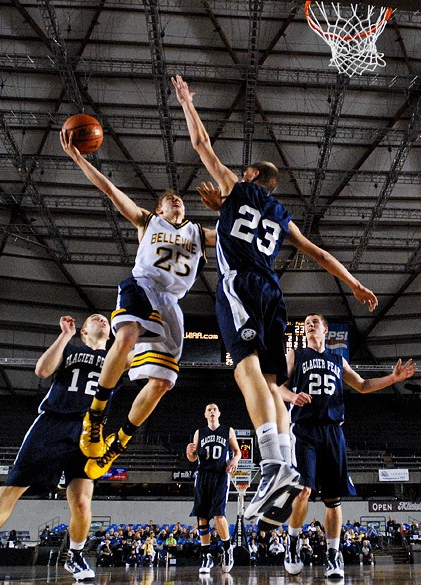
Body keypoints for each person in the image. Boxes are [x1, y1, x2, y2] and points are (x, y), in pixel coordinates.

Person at [172, 74, 379, 529]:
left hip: (242, 287)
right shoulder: (281, 217)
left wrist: (187, 103)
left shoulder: (238, 189)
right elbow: (319, 253)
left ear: (251, 178)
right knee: (268, 383)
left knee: (245, 373)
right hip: (273, 295)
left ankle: (271, 467)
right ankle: (282, 464)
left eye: (243, 172)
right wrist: (354, 284)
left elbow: (202, 145)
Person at [60, 130, 215, 479]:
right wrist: (80, 159)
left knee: (161, 383)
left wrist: (229, 208)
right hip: (142, 285)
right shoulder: (148, 221)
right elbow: (111, 191)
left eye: (180, 200)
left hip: (172, 304)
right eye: (170, 199)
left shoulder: (199, 234)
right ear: (159, 208)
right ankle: (96, 416)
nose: (176, 201)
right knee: (127, 337)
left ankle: (116, 446)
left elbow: (238, 236)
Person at [0, 314, 113, 582]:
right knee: (14, 485)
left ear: (111, 334)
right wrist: (65, 335)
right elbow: (42, 370)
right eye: (94, 318)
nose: (101, 319)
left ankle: (75, 556)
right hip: (54, 421)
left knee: (81, 500)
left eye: (105, 320)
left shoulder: (116, 357)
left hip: (89, 430)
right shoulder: (71, 348)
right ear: (84, 330)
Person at [278, 312, 416, 578]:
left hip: (333, 431)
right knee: (304, 489)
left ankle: (333, 556)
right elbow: (278, 388)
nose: (309, 325)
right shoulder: (296, 355)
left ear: (326, 330)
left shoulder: (337, 360)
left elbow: (363, 385)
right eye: (306, 323)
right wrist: (292, 395)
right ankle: (292, 543)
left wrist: (392, 379)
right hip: (305, 429)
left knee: (333, 500)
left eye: (314, 322)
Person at [186, 403, 241, 574]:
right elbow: (193, 458)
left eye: (214, 409)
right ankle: (206, 556)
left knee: (218, 515)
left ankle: (227, 549)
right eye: (209, 409)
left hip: (220, 476)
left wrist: (234, 460)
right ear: (205, 414)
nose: (211, 411)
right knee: (202, 518)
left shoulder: (227, 430)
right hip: (203, 476)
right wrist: (189, 452)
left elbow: (237, 451)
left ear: (219, 413)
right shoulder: (199, 432)